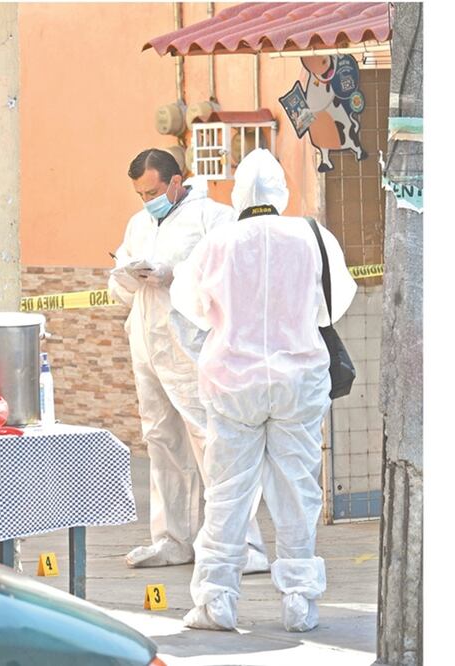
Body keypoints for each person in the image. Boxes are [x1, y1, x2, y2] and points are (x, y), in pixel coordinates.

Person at [171, 149, 357, 632]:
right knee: (297, 490)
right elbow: (332, 308)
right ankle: (299, 600)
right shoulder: (312, 236)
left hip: (233, 382)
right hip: (300, 381)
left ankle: (216, 601)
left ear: (238, 192)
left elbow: (190, 306)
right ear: (281, 192)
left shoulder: (217, 243)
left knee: (228, 492)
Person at [109, 148, 269, 571]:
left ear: (176, 182)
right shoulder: (138, 224)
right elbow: (120, 293)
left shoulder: (212, 218)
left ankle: (242, 544)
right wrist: (126, 276)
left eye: (152, 191)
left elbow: (229, 277)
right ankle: (172, 539)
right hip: (147, 345)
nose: (147, 201)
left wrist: (172, 274)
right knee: (161, 442)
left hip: (194, 347)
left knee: (214, 444)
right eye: (140, 194)